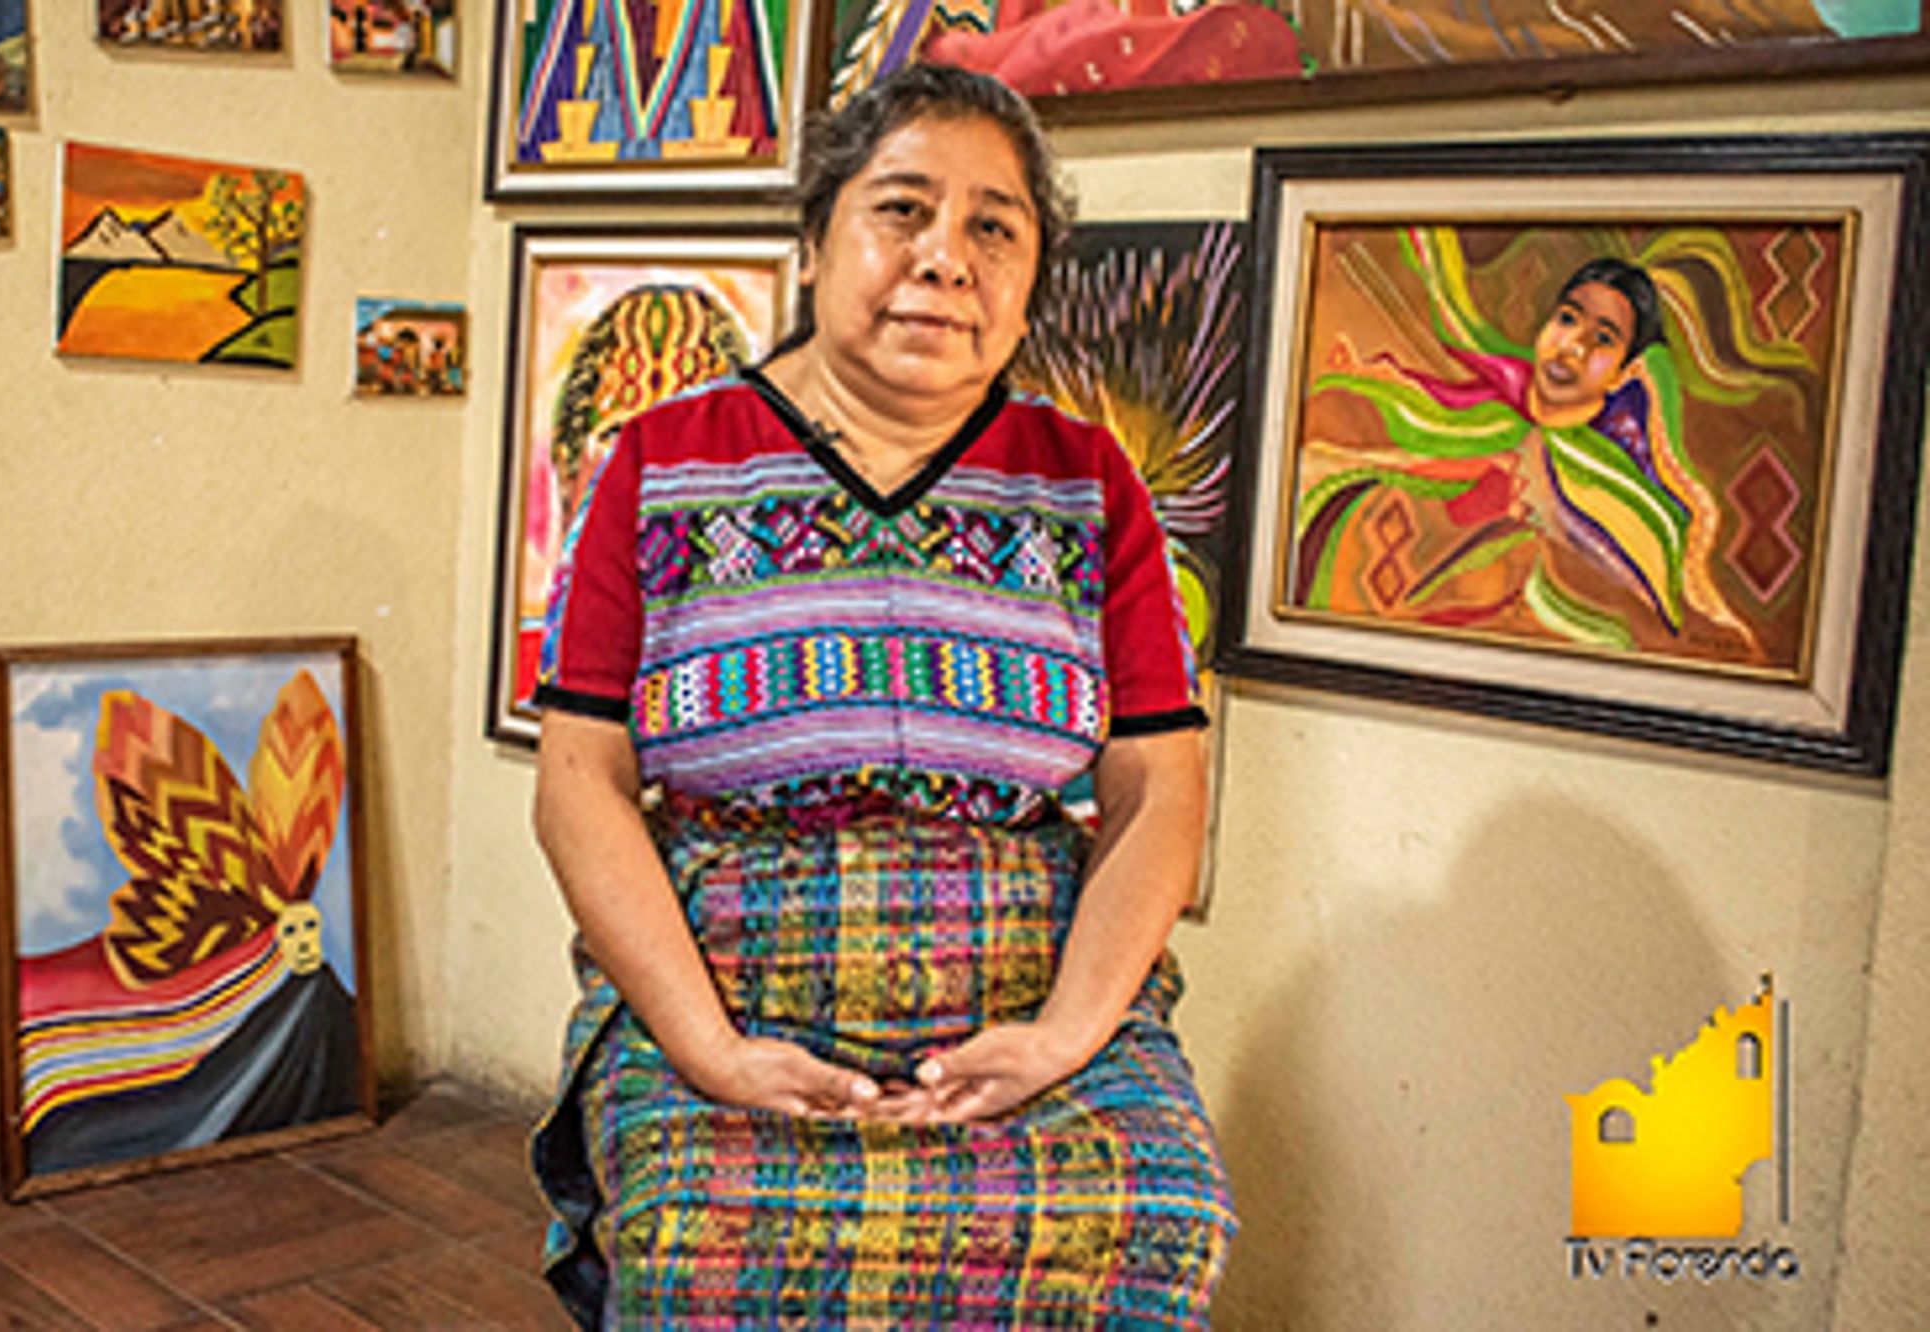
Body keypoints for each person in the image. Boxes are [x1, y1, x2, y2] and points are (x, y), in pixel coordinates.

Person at [528, 62, 1236, 1326]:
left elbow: (1157, 786)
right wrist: (711, 1051)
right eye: (900, 209)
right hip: (734, 977)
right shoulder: (660, 463)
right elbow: (581, 781)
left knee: (1159, 1211)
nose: (945, 258)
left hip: (1021, 989)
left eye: (993, 228)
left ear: (1026, 281)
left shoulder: (1089, 485)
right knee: (698, 1232)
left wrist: (1064, 1036)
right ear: (814, 243)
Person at [1296, 241, 1761, 654]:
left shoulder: (1603, 483)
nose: (1572, 347)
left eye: (1602, 340)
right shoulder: (1497, 402)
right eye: (1566, 319)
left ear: (1623, 373)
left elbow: (1639, 607)